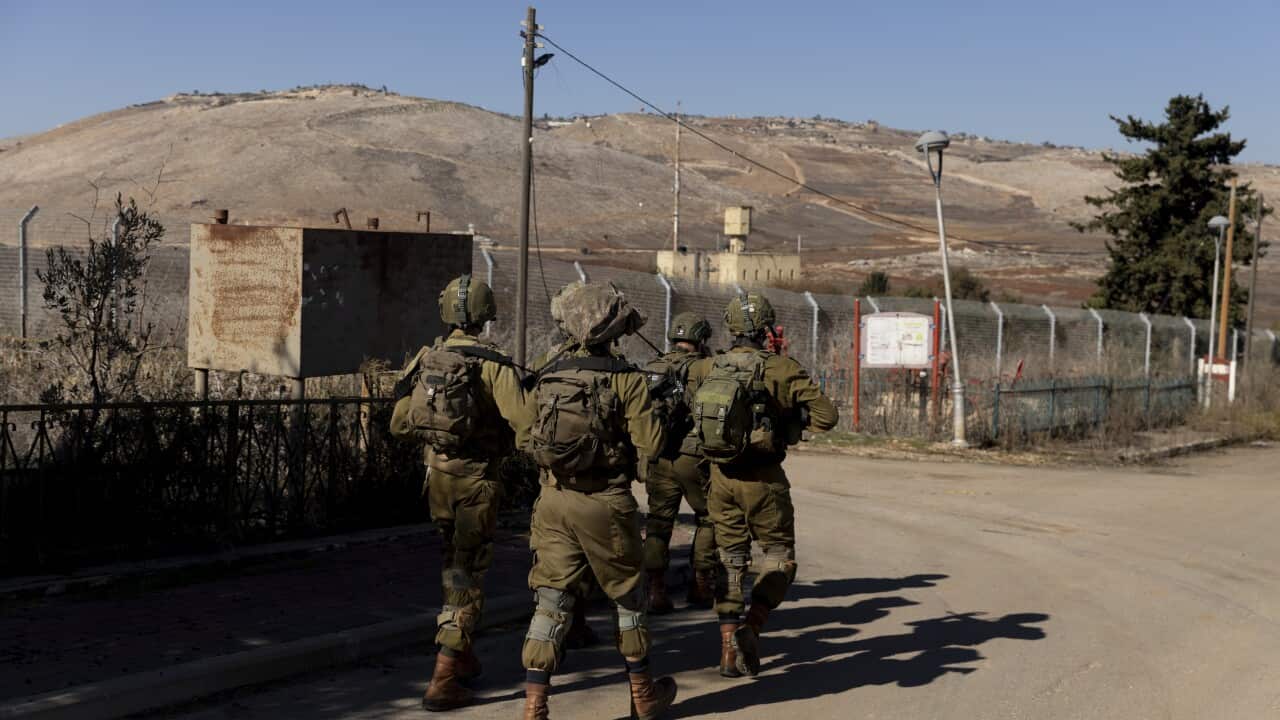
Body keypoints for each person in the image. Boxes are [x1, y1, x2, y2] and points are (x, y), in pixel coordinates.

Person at [520, 282, 677, 720]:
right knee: (628, 598)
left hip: (552, 501)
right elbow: (651, 447)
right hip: (606, 503)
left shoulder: (547, 371)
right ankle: (643, 696)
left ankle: (535, 705)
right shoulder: (625, 378)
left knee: (551, 600)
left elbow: (525, 435)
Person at [390, 274, 533, 712]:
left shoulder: (428, 359)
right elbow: (526, 428)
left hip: (437, 480)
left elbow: (398, 423)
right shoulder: (495, 365)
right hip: (477, 484)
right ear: (487, 315)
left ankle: (463, 652)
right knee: (469, 575)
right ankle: (444, 674)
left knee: (454, 564)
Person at [686, 293, 838, 678]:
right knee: (779, 554)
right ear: (767, 328)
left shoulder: (706, 367)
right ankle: (751, 626)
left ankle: (725, 653)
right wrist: (792, 421)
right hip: (765, 479)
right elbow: (827, 416)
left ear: (731, 327)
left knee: (731, 559)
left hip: (720, 478)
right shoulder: (783, 369)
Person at [640, 312, 718, 613]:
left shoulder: (654, 366)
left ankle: (655, 591)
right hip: (693, 455)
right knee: (708, 517)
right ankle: (701, 585)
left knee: (659, 522)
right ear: (700, 340)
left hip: (659, 454)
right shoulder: (705, 367)